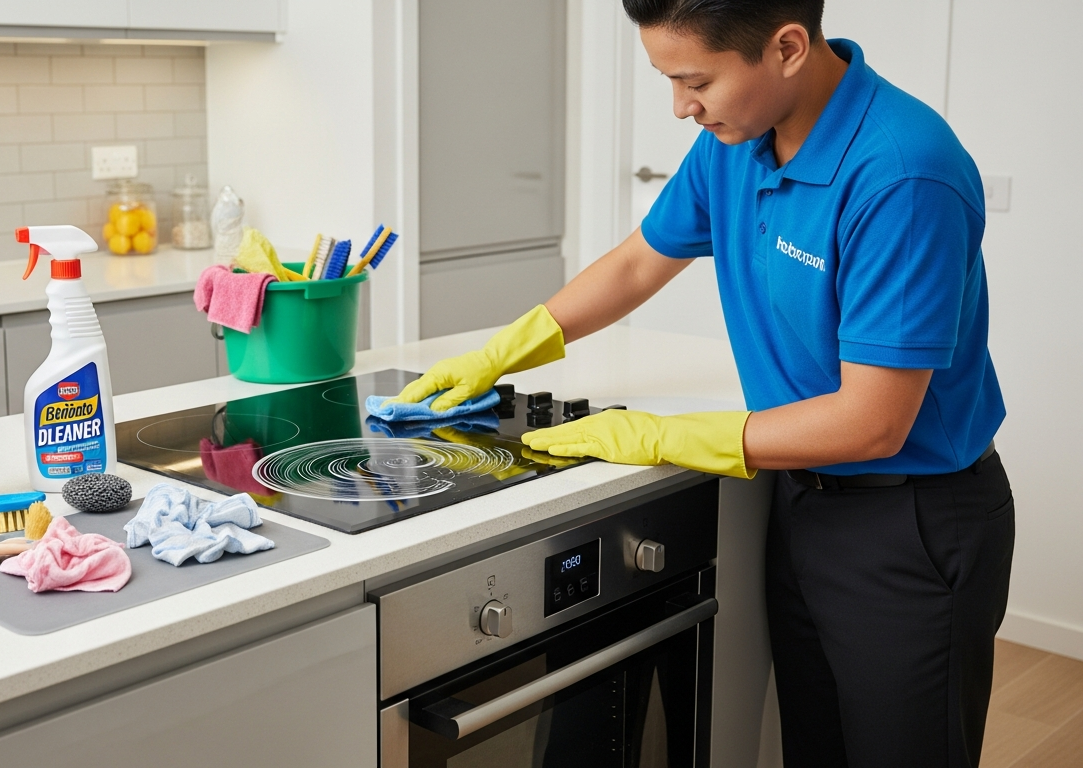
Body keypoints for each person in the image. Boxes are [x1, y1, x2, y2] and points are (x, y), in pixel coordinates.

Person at [391, 1, 1013, 766]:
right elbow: (636, 263)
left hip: (910, 525)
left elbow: (873, 422)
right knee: (813, 749)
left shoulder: (904, 172)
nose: (681, 107)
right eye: (667, 79)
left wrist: (661, 436)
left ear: (787, 47)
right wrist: (504, 351)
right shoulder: (737, 142)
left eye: (695, 81)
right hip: (801, 500)